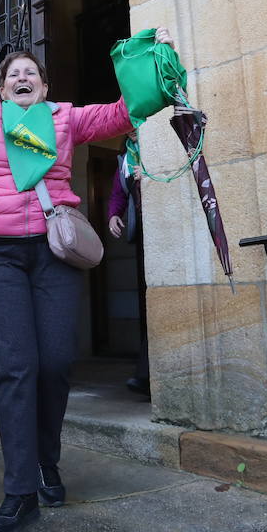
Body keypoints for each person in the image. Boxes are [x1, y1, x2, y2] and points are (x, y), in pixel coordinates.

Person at [0, 0, 172, 532]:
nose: (22, 78)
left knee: (55, 363)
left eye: (31, 72)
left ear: (46, 85)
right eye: (13, 74)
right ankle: (18, 489)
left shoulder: (67, 119)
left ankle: (46, 461)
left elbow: (128, 111)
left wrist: (157, 59)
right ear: (1, 87)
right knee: (15, 367)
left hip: (54, 252)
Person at [107, 131, 151, 398]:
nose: (134, 129)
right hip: (145, 235)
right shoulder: (125, 158)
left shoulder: (162, 144)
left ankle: (146, 376)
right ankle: (145, 375)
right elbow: (117, 193)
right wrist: (113, 215)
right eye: (129, 124)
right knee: (148, 305)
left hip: (168, 228)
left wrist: (150, 175)